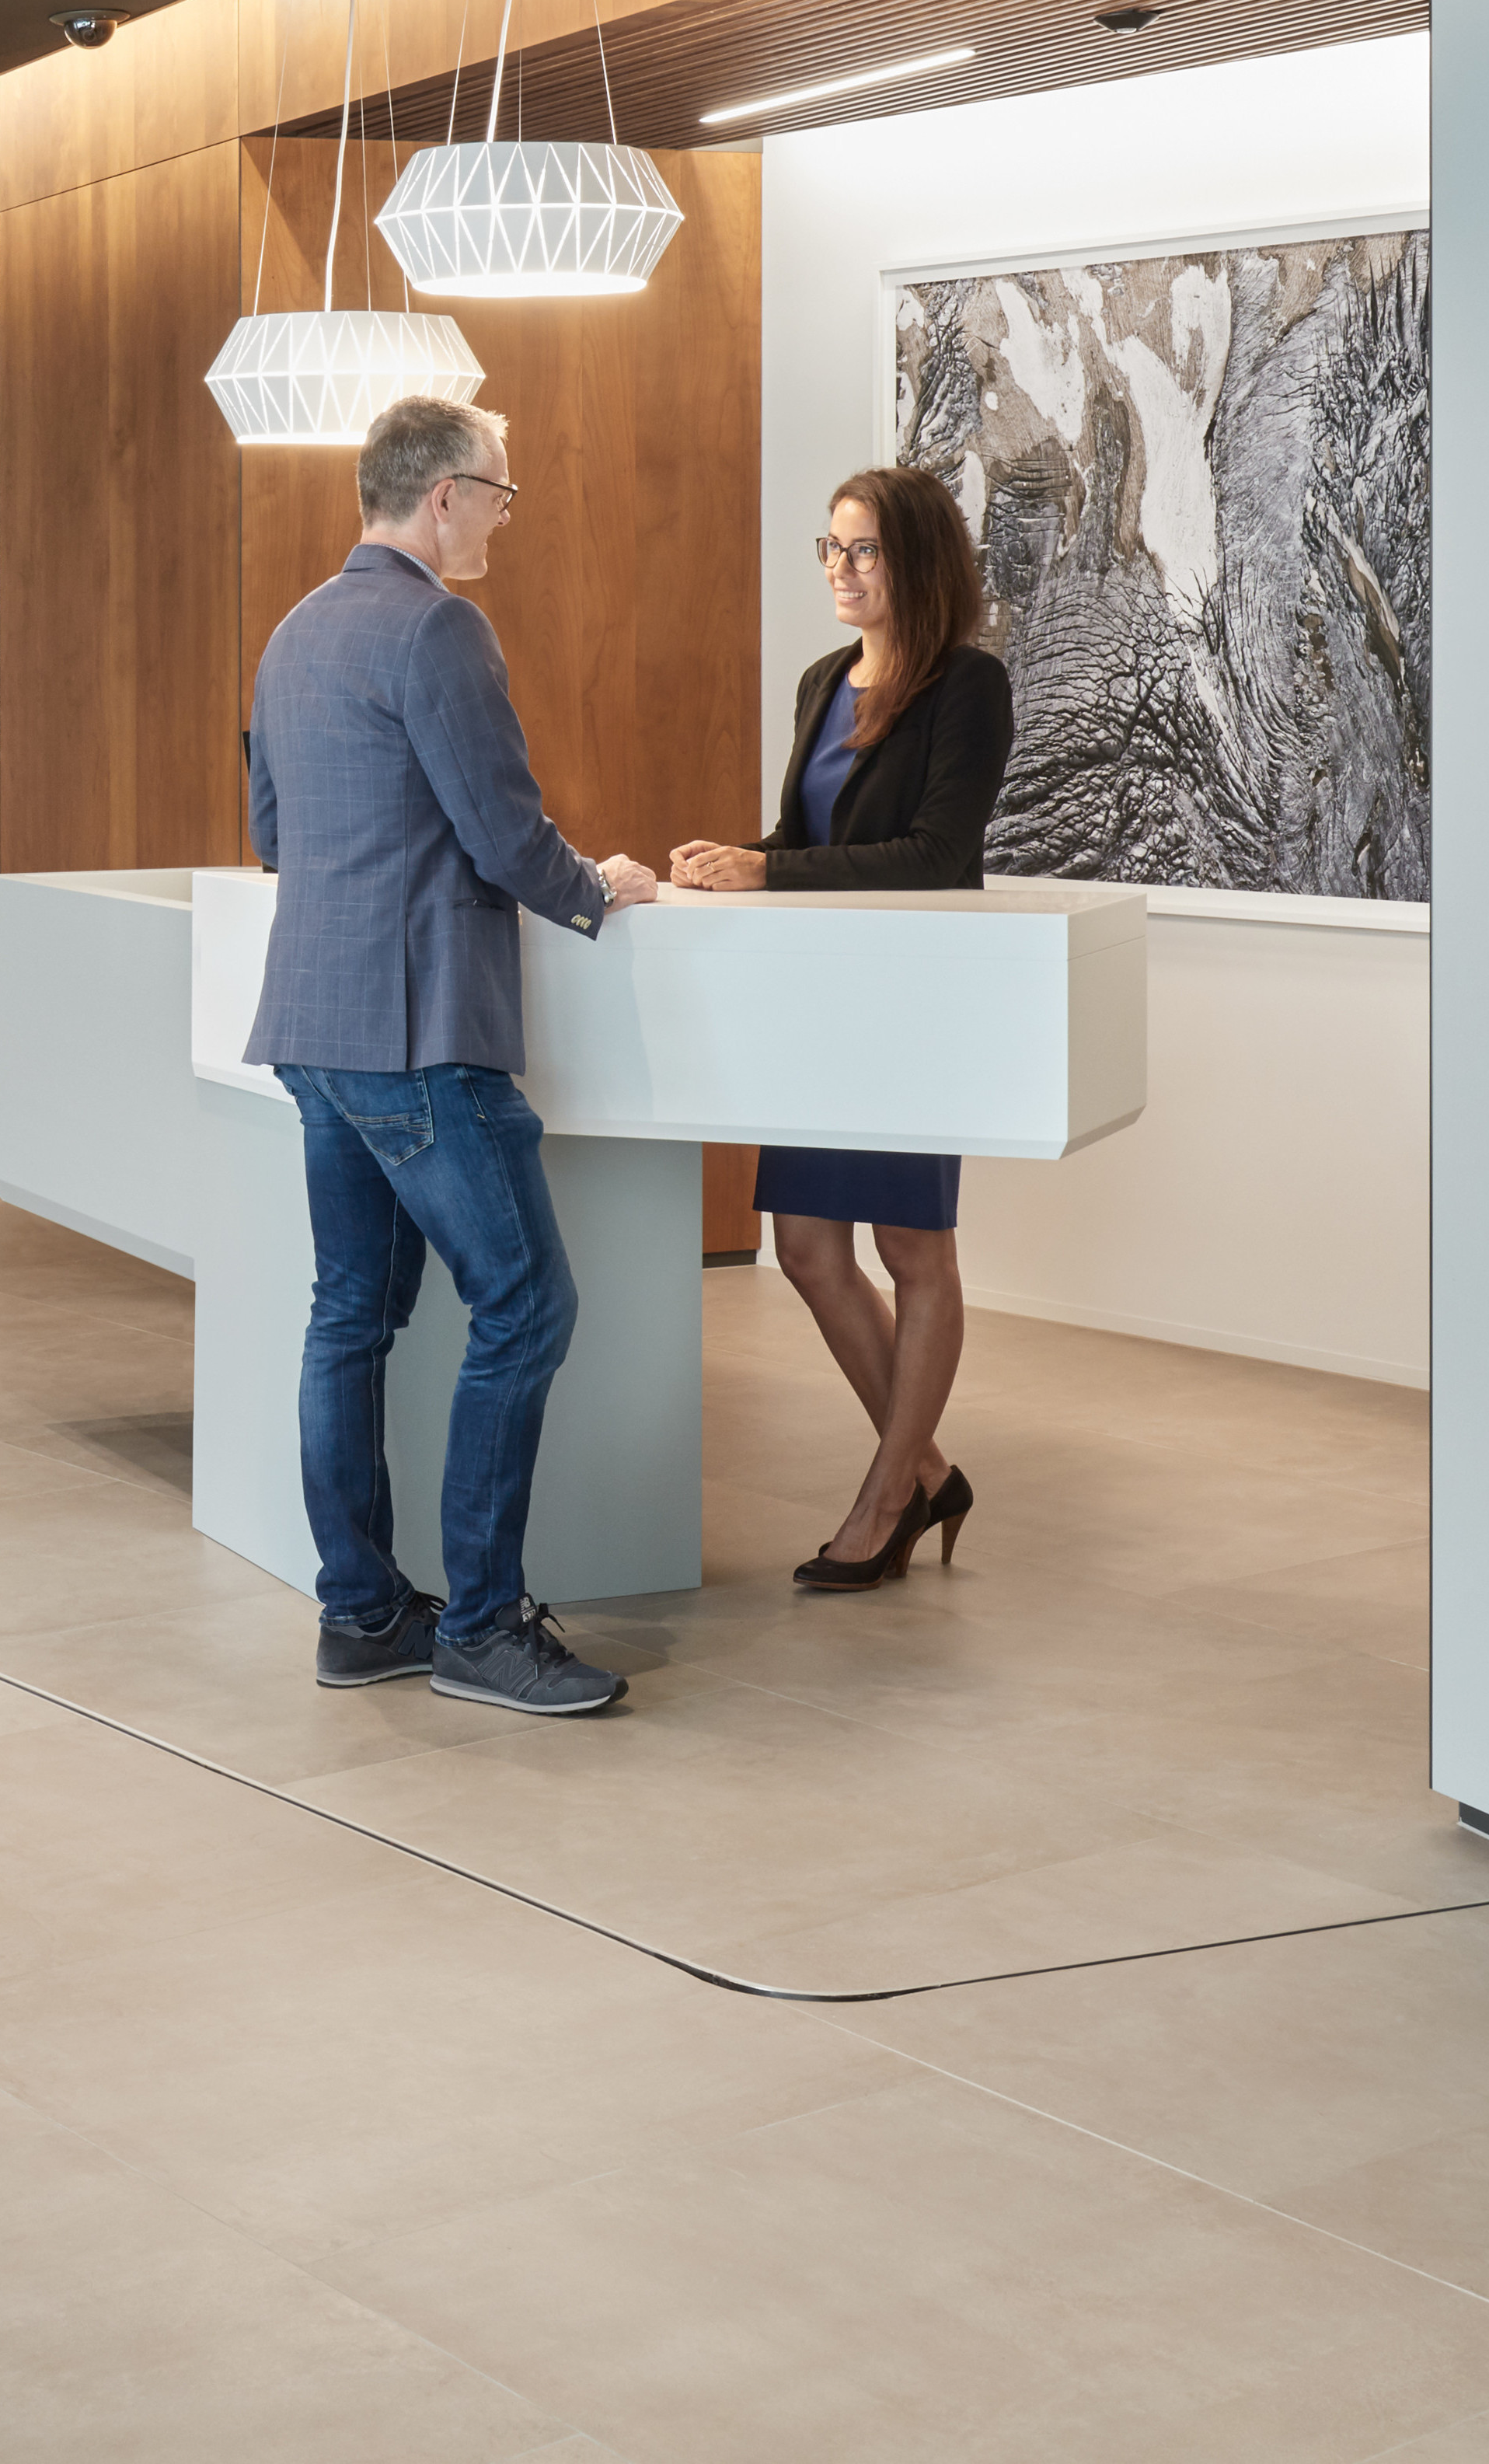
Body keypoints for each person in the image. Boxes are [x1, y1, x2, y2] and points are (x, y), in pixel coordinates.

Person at [245, 393, 661, 1712]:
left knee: (347, 1320)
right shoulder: (439, 627)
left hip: (314, 1030)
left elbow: (270, 833)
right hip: (420, 1038)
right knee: (527, 1304)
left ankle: (363, 1615)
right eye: (499, 491)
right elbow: (503, 833)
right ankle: (481, 1627)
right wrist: (600, 888)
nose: (503, 513)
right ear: (442, 498)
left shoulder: (295, 631)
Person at [670, 462, 1015, 1593]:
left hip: (914, 1005)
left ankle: (884, 1499)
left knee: (913, 1251)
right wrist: (728, 866)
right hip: (817, 1008)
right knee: (808, 1249)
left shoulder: (968, 687)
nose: (839, 569)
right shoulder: (825, 678)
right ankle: (923, 1470)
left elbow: (935, 857)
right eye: (829, 548)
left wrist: (768, 871)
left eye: (861, 550)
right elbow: (796, 835)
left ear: (914, 561)